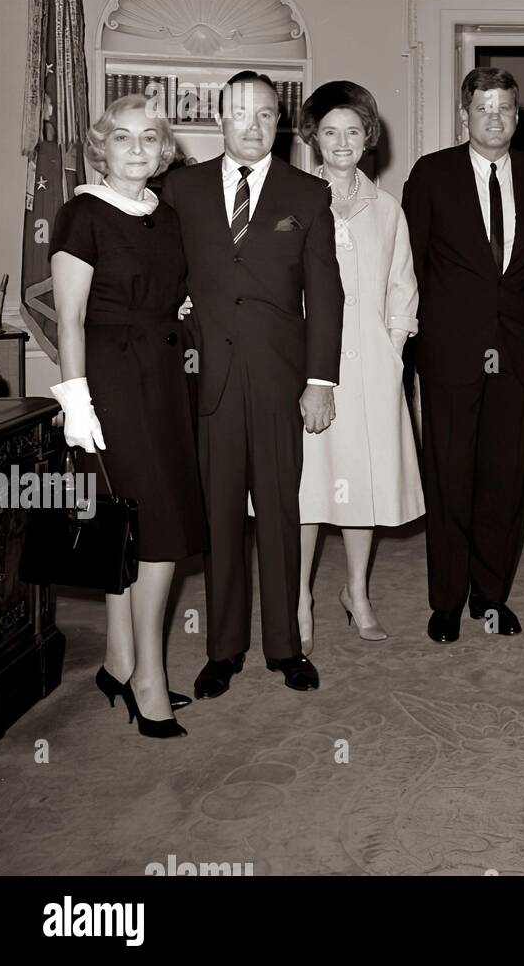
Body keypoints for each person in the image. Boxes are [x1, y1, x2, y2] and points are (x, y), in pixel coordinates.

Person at [160, 70, 344, 697]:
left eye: (267, 114)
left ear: (281, 121)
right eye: (242, 113)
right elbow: (159, 273)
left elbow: (326, 296)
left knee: (279, 512)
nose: (254, 124)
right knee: (219, 519)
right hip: (206, 379)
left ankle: (285, 647)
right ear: (220, 118)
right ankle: (223, 648)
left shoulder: (309, 193)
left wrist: (320, 380)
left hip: (278, 381)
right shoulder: (179, 190)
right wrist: (175, 310)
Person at [48, 95, 207, 738]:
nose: (137, 149)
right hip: (112, 384)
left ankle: (117, 659)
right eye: (122, 137)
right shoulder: (81, 213)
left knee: (133, 524)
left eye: (149, 138)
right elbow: (69, 318)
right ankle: (147, 676)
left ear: (163, 150)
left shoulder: (165, 217)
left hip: (165, 380)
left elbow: (175, 293)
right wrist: (77, 401)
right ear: (100, 147)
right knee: (156, 529)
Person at [402, 67, 524, 643]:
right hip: (448, 353)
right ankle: (445, 599)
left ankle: (489, 597)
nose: (495, 118)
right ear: (464, 113)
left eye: (506, 108)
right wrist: (410, 352)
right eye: (484, 107)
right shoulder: (432, 174)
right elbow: (411, 267)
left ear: (518, 116)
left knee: (504, 479)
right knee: (448, 476)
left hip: (517, 356)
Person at [293, 81, 424, 651]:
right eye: (329, 131)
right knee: (304, 484)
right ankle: (297, 598)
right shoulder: (292, 200)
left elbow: (403, 289)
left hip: (371, 364)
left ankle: (357, 592)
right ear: (313, 138)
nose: (342, 141)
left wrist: (393, 350)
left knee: (359, 483)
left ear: (368, 137)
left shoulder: (388, 208)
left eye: (352, 130)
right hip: (305, 363)